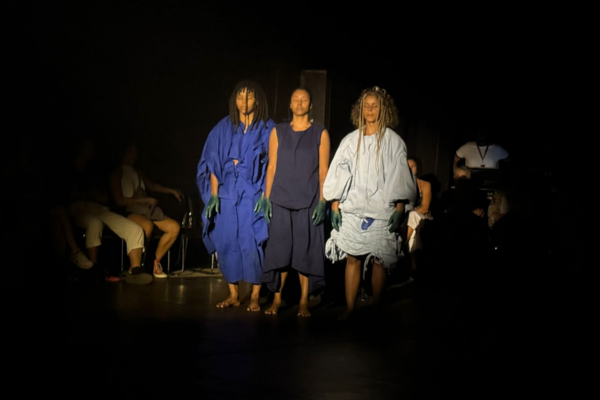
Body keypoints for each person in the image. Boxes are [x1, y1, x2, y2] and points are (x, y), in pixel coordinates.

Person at [323, 86, 416, 321]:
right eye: (367, 106)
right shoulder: (350, 141)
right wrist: (335, 203)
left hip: (381, 210)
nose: (370, 110)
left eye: (375, 106)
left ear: (383, 109)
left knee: (379, 261)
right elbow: (340, 172)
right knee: (352, 258)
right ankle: (350, 308)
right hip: (353, 208)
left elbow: (399, 175)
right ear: (361, 109)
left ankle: (377, 309)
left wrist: (399, 208)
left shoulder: (393, 142)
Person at [197, 79, 275, 311]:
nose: (244, 101)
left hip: (253, 193)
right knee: (227, 240)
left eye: (249, 97)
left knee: (252, 242)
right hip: (227, 193)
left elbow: (273, 164)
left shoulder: (267, 127)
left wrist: (266, 196)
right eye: (240, 97)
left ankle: (255, 295)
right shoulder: (223, 127)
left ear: (257, 100)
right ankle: (233, 294)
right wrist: (213, 194)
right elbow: (213, 162)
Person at [255, 87, 330, 317]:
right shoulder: (278, 131)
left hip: (308, 201)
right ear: (290, 104)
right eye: (295, 99)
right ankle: (277, 300)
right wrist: (266, 198)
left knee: (305, 251)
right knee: (279, 251)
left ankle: (304, 301)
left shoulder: (320, 133)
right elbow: (271, 167)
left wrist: (323, 201)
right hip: (280, 199)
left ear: (310, 105)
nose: (299, 103)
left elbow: (324, 171)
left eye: (304, 99)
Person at [63, 135, 147, 283]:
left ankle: (135, 271)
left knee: (135, 229)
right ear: (79, 148)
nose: (91, 149)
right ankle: (94, 270)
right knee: (94, 223)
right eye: (87, 145)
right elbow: (68, 196)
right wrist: (88, 195)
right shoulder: (69, 169)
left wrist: (97, 197)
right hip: (78, 208)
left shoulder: (95, 171)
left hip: (99, 208)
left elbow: (105, 197)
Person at [110, 141, 183, 279]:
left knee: (174, 227)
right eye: (131, 151)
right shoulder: (117, 173)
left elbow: (153, 186)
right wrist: (143, 200)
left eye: (136, 152)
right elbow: (119, 201)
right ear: (124, 152)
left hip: (146, 210)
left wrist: (172, 191)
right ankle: (135, 265)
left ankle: (155, 263)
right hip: (129, 211)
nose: (134, 155)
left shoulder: (138, 172)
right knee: (147, 226)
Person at [403, 156, 433, 275]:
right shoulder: (400, 185)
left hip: (423, 216)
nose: (410, 169)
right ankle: (414, 266)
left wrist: (412, 212)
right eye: (407, 167)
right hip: (407, 219)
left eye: (413, 166)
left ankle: (402, 244)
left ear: (417, 168)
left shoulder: (425, 184)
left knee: (413, 216)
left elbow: (425, 207)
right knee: (414, 230)